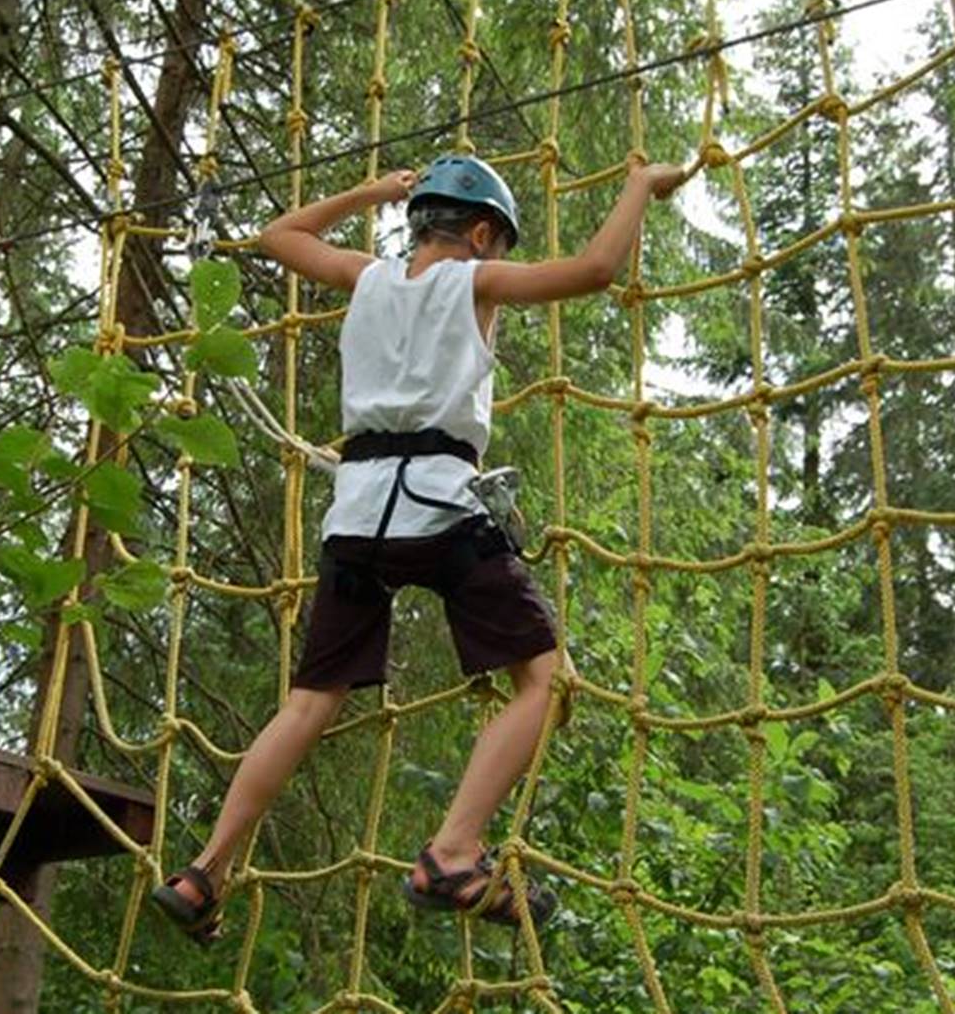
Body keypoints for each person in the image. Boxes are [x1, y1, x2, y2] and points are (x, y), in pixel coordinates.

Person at [151, 153, 688, 942]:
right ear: (482, 234)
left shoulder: (367, 278)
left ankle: (204, 872)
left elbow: (278, 235)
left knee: (309, 703)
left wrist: (371, 191)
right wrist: (639, 187)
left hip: (356, 519)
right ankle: (454, 851)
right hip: (441, 510)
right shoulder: (473, 281)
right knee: (546, 683)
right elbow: (595, 270)